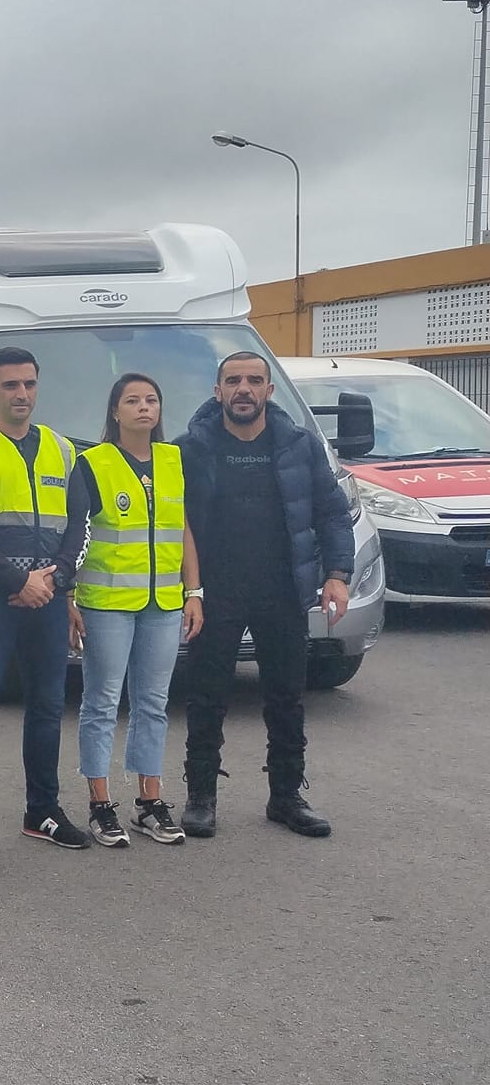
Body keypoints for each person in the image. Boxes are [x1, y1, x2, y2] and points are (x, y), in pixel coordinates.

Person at [177, 352, 353, 839]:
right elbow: (172, 521)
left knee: (285, 697)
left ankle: (286, 796)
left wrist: (337, 572)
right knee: (207, 697)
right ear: (217, 392)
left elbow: (332, 513)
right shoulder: (190, 449)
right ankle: (201, 797)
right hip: (216, 591)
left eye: (255, 381)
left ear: (269, 391)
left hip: (282, 590)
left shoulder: (298, 445)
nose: (244, 389)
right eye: (233, 381)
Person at [0, 347, 89, 855]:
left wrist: (58, 579)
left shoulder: (62, 449)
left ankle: (43, 810)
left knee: (48, 706)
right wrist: (16, 579)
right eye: (10, 385)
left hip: (47, 596)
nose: (22, 394)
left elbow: (79, 523)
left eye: (29, 384)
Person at [68, 374, 201, 847]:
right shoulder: (93, 463)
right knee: (101, 704)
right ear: (115, 412)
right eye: (132, 401)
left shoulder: (173, 460)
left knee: (153, 703)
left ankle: (149, 801)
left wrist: (194, 591)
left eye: (151, 400)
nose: (144, 408)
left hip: (163, 602)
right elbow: (76, 534)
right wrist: (69, 597)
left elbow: (182, 528)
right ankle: (101, 805)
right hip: (107, 604)